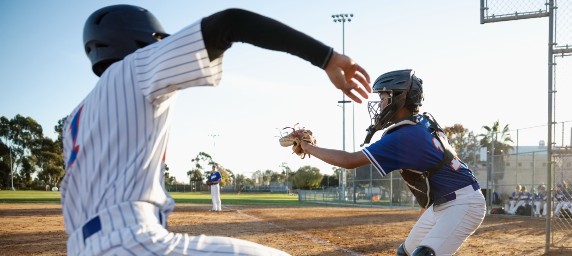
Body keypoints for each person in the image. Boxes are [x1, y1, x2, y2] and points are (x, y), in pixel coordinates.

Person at [60, 4, 371, 256]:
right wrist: (326, 57)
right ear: (143, 41)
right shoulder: (136, 67)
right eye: (158, 42)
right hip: (132, 241)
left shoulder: (75, 120)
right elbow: (230, 23)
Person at [298, 69, 486, 256]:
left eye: (383, 97)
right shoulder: (420, 123)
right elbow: (433, 172)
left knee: (423, 254)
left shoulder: (405, 135)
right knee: (405, 252)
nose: (379, 105)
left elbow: (349, 160)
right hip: (445, 202)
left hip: (463, 203)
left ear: (399, 98)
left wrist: (309, 148)